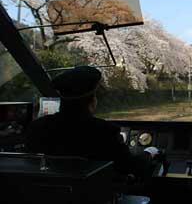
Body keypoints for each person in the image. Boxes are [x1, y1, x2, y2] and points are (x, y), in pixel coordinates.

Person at [25, 66, 159, 178]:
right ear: (93, 100)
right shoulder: (104, 131)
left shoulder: (37, 127)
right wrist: (149, 152)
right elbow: (130, 166)